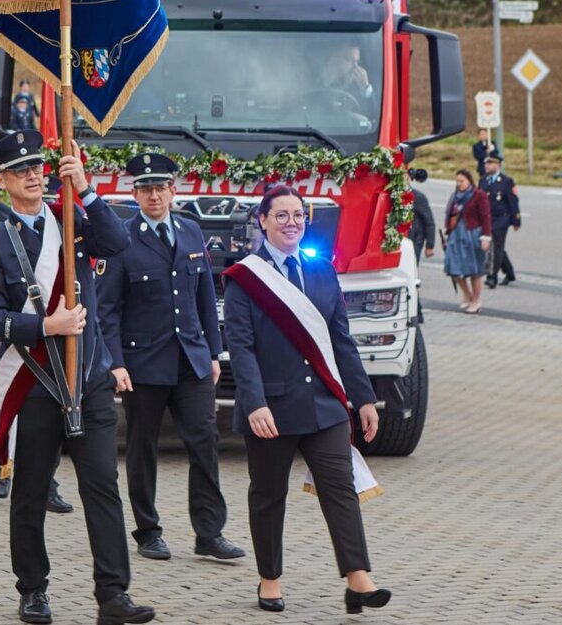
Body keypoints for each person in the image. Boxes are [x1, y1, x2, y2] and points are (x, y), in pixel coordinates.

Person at [0, 130, 155, 625]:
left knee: (102, 486)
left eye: (38, 167)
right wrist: (43, 326)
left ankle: (113, 596)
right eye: (21, 170)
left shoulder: (69, 219)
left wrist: (87, 189)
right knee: (31, 491)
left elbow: (118, 243)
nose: (33, 175)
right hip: (35, 381)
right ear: (2, 180)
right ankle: (32, 589)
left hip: (87, 377)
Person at [222, 185, 391, 615]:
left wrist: (363, 397)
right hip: (271, 408)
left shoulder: (321, 270)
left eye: (298, 214)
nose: (292, 222)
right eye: (281, 215)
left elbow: (341, 340)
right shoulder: (245, 276)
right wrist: (254, 402)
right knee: (268, 495)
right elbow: (239, 346)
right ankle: (270, 579)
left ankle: (358, 579)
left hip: (323, 404)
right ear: (263, 221)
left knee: (340, 488)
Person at [97, 153, 243, 563]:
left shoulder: (192, 231)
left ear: (173, 190)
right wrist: (116, 362)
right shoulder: (121, 239)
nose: (154, 195)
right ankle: (148, 531)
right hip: (144, 364)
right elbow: (107, 309)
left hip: (191, 360)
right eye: (145, 189)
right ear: (135, 193)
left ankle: (209, 533)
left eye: (161, 188)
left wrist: (214, 352)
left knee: (205, 441)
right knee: (143, 447)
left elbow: (204, 296)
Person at [443, 169, 492, 313]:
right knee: (453, 267)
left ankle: (476, 300)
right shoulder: (455, 196)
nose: (459, 184)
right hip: (456, 234)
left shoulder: (479, 196)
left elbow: (486, 217)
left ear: (469, 181)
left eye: (461, 181)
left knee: (474, 270)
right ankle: (467, 295)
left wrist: (486, 236)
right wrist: (448, 232)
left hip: (472, 234)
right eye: (457, 181)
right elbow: (450, 215)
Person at [479, 154, 520, 288]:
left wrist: (516, 220)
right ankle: (509, 272)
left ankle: (492, 276)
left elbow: (513, 202)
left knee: (496, 247)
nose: (486, 166)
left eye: (490, 163)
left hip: (501, 219)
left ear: (498, 165)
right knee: (497, 248)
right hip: (486, 219)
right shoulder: (483, 180)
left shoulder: (507, 181)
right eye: (486, 163)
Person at [409, 186, 435, 265]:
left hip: (414, 240)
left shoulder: (418, 197)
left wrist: (429, 245)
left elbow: (429, 222)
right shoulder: (392, 194)